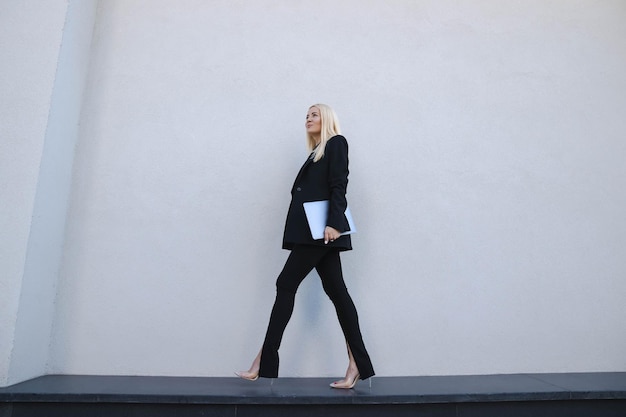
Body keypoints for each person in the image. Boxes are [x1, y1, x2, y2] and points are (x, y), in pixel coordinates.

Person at [235, 104, 374, 389]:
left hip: (322, 231)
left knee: (286, 283)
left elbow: (339, 184)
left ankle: (263, 362)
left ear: (327, 119)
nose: (308, 119)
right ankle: (358, 362)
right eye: (306, 116)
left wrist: (335, 223)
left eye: (314, 114)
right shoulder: (317, 152)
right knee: (337, 291)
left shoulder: (336, 143)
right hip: (315, 231)